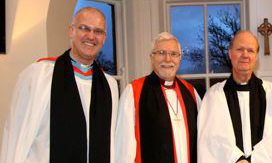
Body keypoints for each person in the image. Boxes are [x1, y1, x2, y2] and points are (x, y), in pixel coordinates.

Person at [0, 7, 119, 163]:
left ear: (104, 38)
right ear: (71, 31)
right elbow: (17, 136)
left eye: (98, 31)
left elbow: (111, 143)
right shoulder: (40, 74)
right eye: (84, 28)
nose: (91, 36)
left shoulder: (109, 85)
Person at [197, 30, 272, 163]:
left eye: (250, 50)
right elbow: (209, 139)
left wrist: (255, 159)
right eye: (239, 49)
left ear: (256, 56)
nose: (245, 55)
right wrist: (236, 159)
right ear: (230, 53)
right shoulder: (214, 95)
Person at [115, 32, 202, 163]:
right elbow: (124, 149)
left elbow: (202, 142)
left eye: (173, 54)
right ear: (151, 57)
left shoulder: (191, 92)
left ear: (179, 58)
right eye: (161, 53)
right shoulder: (134, 92)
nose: (168, 59)